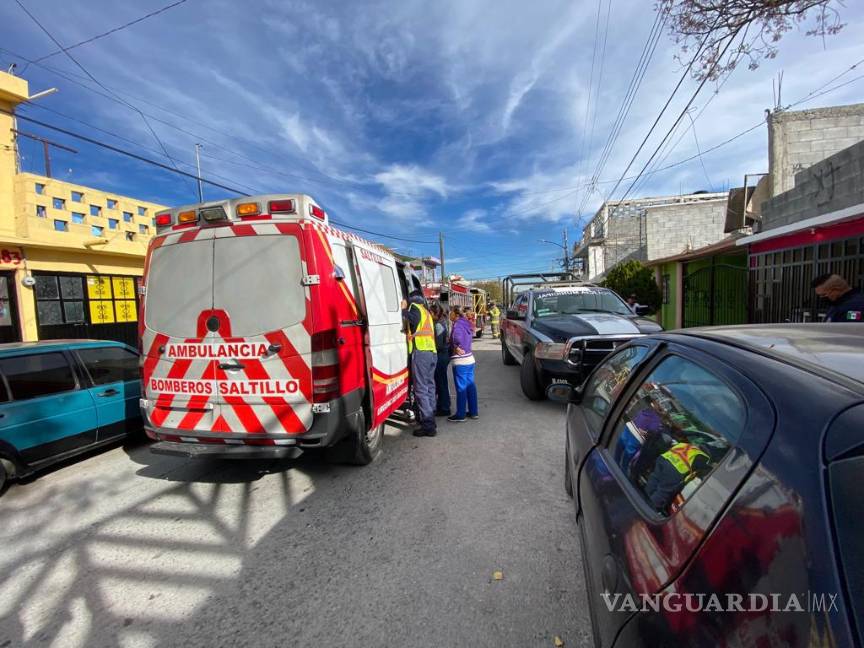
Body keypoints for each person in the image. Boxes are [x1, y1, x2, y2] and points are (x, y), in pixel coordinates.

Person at [401, 290, 437, 437]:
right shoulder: (425, 311)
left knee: (421, 389)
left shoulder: (414, 307)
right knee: (429, 387)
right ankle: (431, 417)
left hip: (421, 352)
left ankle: (428, 425)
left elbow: (413, 320)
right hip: (431, 352)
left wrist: (403, 310)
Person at [643, 439, 710, 512]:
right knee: (663, 491)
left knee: (654, 479)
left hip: (664, 458)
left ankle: (643, 499)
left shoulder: (686, 445)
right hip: (675, 470)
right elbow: (701, 471)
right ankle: (648, 510)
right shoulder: (702, 456)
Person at [448, 306, 479, 422]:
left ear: (456, 314)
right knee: (470, 386)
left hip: (460, 361)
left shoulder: (457, 324)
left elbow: (457, 337)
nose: (449, 315)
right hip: (469, 359)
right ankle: (473, 412)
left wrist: (456, 346)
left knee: (461, 388)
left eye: (451, 312)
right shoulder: (466, 323)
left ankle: (461, 414)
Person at [431, 303, 451, 417]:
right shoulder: (442, 321)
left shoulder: (439, 325)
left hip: (441, 356)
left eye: (431, 312)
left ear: (436, 313)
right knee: (441, 382)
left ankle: (445, 408)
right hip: (443, 355)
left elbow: (438, 344)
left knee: (441, 383)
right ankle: (442, 405)